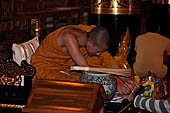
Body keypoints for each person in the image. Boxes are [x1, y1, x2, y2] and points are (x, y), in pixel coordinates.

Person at [31, 24, 139, 97]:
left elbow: (106, 59)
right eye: (98, 51)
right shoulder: (69, 37)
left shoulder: (91, 32)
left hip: (66, 67)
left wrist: (124, 78)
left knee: (96, 67)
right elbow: (87, 72)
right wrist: (115, 86)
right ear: (91, 43)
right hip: (45, 68)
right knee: (79, 84)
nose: (99, 54)